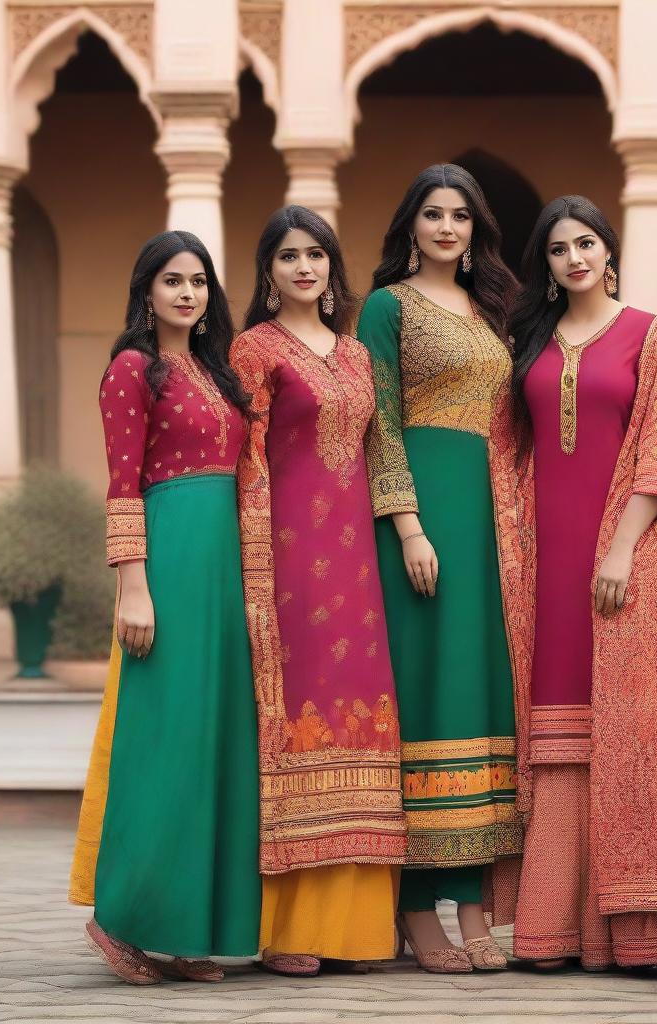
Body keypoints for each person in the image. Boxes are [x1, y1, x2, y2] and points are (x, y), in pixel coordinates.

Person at [69, 231, 260, 983]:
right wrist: (133, 584)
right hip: (171, 563)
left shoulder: (217, 371)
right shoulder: (131, 371)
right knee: (163, 746)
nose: (187, 293)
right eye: (172, 280)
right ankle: (122, 920)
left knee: (213, 748)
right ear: (146, 290)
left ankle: (184, 933)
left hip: (223, 563)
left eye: (199, 282)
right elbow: (122, 483)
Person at [506, 196, 657, 971]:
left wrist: (617, 550)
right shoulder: (530, 341)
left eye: (586, 244)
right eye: (557, 249)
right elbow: (507, 451)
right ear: (544, 266)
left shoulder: (652, 334)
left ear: (610, 252)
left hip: (625, 557)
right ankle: (548, 926)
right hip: (542, 561)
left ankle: (632, 934)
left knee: (630, 731)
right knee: (555, 733)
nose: (573, 258)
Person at [358, 164, 525, 972]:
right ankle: (418, 906)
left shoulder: (494, 311)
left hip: (490, 520)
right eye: (433, 213)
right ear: (411, 224)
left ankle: (473, 904)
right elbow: (377, 420)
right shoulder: (386, 306)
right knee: (427, 699)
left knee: (477, 698)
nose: (448, 227)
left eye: (461, 215)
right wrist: (409, 525)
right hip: (423, 523)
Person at [231, 205, 406, 975]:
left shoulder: (359, 355)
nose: (305, 269)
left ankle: (360, 930)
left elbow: (375, 452)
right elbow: (248, 462)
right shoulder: (253, 350)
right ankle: (292, 928)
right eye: (289, 257)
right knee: (296, 714)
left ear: (334, 270)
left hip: (357, 564)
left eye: (317, 256)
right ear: (267, 274)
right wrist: (254, 560)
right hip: (290, 557)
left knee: (359, 712)